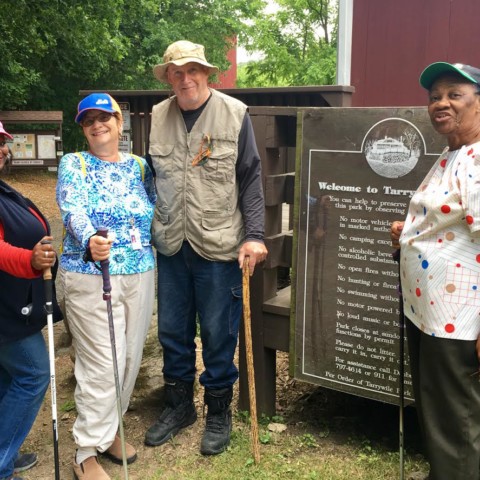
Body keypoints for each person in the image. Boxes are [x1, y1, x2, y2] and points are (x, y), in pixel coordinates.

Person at [144, 40, 268, 455]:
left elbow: (250, 177)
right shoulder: (157, 116)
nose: (185, 79)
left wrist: (255, 235)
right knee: (172, 332)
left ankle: (218, 411)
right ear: (169, 78)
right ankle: (179, 407)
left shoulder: (234, 115)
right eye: (176, 73)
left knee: (218, 333)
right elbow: (150, 179)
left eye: (192, 70)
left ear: (206, 73)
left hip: (218, 245)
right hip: (171, 245)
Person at [56, 93, 156, 480]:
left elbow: (152, 206)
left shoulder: (139, 166)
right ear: (83, 129)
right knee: (102, 363)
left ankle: (109, 432)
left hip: (140, 271)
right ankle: (85, 451)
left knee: (129, 358)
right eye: (88, 120)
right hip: (92, 273)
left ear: (119, 122)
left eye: (104, 118)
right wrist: (89, 239)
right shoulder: (74, 164)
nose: (97, 125)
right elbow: (72, 208)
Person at [391, 62, 480, 480]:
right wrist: (409, 233)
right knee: (440, 411)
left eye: (455, 94)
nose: (441, 102)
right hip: (429, 309)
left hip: (458, 316)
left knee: (455, 418)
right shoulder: (452, 152)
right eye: (434, 95)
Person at [0, 120, 62, 480]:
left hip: (14, 306)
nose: (4, 149)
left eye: (4, 143)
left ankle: (6, 448)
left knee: (8, 380)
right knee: (34, 374)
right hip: (6, 314)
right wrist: (30, 261)